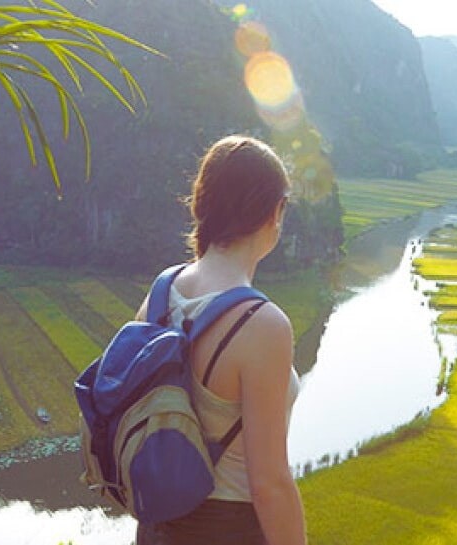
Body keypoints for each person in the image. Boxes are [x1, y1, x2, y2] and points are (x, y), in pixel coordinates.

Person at [133, 135, 306, 545]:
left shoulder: (161, 292)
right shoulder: (262, 325)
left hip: (157, 528)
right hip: (229, 530)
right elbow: (269, 484)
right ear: (273, 213)